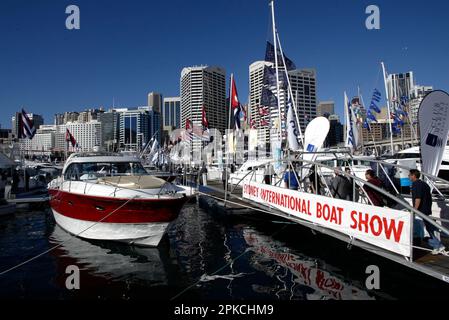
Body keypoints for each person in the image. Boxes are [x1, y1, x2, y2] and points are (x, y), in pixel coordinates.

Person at [409, 169, 446, 254]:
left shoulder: (416, 184)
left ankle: (437, 245)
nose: (409, 177)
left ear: (413, 176)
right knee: (428, 229)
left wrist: (414, 210)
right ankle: (437, 246)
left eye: (409, 175)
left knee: (422, 232)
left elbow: (418, 198)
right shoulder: (424, 184)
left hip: (420, 211)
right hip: (426, 210)